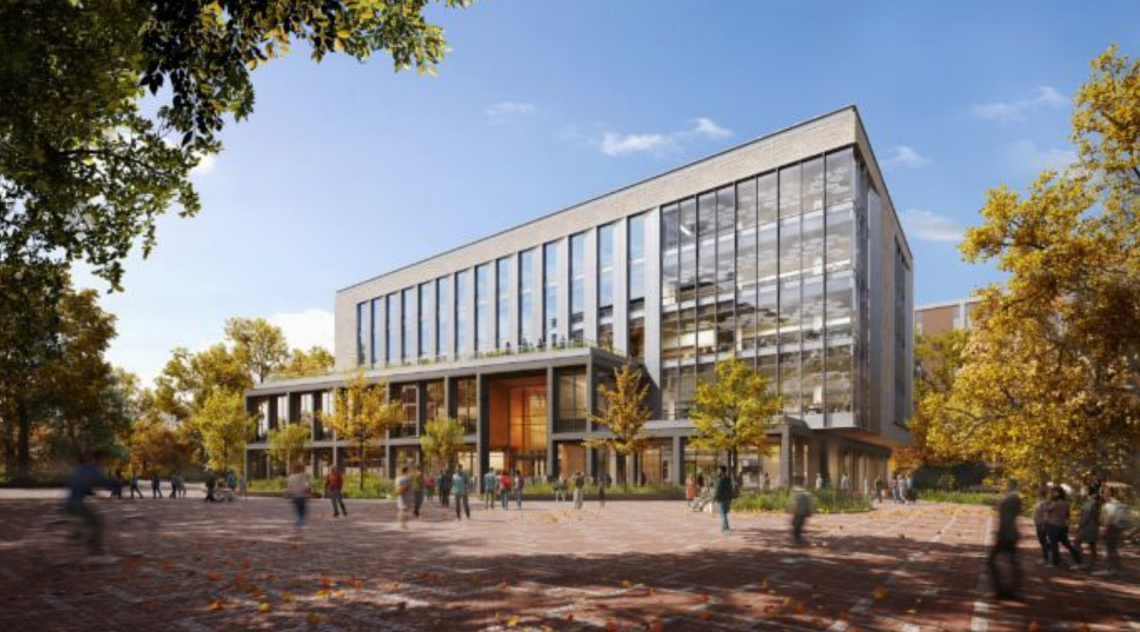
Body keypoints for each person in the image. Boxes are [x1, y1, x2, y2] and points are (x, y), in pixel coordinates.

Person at [64, 451, 117, 564]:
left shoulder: (78, 470)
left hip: (67, 503)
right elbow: (104, 482)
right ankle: (97, 555)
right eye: (102, 461)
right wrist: (117, 488)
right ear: (96, 460)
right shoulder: (94, 470)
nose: (102, 463)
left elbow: (80, 486)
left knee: (85, 524)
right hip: (77, 504)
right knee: (98, 523)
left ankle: (76, 534)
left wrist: (94, 494)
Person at [986, 480, 1023, 599]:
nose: (1003, 486)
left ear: (1010, 485)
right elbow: (1014, 514)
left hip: (1006, 535)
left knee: (992, 561)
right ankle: (1010, 589)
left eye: (1005, 484)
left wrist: (1000, 533)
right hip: (1011, 534)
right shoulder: (1014, 498)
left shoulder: (1010, 499)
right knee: (1012, 562)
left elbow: (1006, 518)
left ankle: (1004, 590)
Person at [1044, 486, 1083, 568]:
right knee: (1067, 544)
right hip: (1062, 526)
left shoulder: (1055, 503)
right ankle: (1078, 561)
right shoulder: (1066, 504)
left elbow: (1046, 509)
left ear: (1058, 493)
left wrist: (1048, 501)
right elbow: (1068, 516)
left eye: (1054, 492)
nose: (1052, 493)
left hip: (1053, 526)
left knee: (1054, 544)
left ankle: (1055, 563)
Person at [1096, 487, 1129, 576]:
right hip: (1115, 527)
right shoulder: (1114, 503)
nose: (1104, 495)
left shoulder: (1110, 504)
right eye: (1103, 493)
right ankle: (1116, 569)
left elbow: (1110, 517)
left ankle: (1109, 569)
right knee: (1112, 549)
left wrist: (1104, 529)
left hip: (1111, 528)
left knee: (1109, 549)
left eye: (1106, 493)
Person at [1076, 484, 1101, 571]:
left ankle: (1082, 562)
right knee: (1092, 545)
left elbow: (1086, 517)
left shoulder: (1090, 502)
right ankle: (1091, 564)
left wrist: (1079, 526)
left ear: (1087, 492)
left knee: (1077, 542)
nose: (1080, 492)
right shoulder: (1093, 501)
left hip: (1087, 527)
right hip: (1093, 526)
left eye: (1081, 490)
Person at [286, 463, 311, 529]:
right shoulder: (302, 476)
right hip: (302, 496)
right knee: (302, 512)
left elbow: (289, 488)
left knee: (297, 511)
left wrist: (289, 495)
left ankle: (297, 522)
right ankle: (298, 523)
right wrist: (309, 493)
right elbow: (307, 486)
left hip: (294, 496)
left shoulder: (291, 477)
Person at [1032, 486, 1050, 565]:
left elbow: (1046, 514)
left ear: (1041, 493)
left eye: (1037, 491)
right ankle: (1048, 556)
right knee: (1042, 541)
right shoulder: (1038, 501)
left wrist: (1043, 525)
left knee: (1043, 541)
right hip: (1038, 523)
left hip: (1041, 524)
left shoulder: (1044, 502)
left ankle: (1046, 558)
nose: (1035, 492)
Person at [713, 466, 734, 534]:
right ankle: (724, 528)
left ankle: (726, 528)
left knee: (723, 514)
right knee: (724, 513)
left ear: (722, 471)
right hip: (728, 498)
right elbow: (731, 489)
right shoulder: (729, 479)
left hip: (721, 499)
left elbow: (717, 490)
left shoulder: (720, 479)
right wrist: (731, 498)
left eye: (719, 470)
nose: (718, 472)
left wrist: (714, 498)